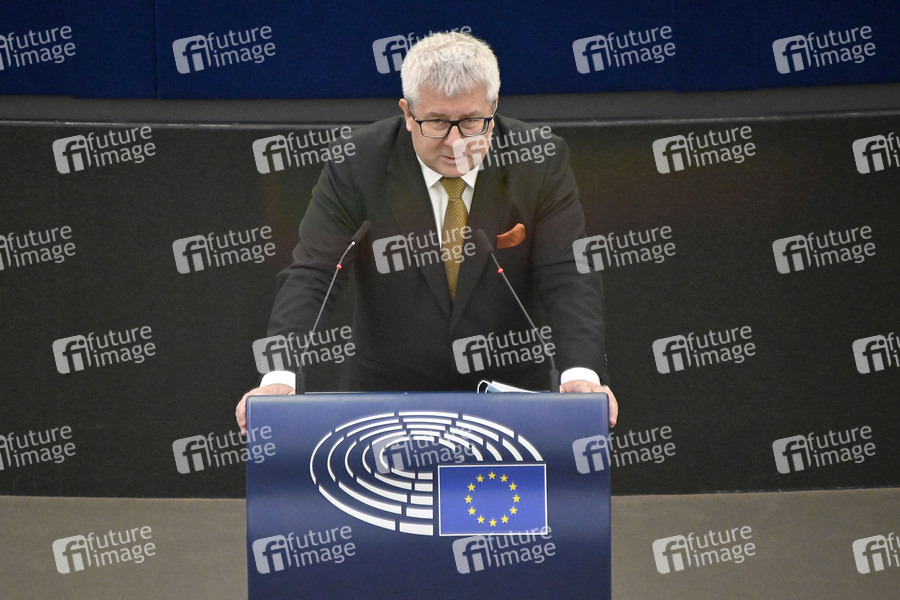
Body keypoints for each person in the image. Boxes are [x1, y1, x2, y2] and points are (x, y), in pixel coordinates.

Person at [236, 32, 618, 433]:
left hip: (509, 393)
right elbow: (315, 272)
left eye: (471, 122)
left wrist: (581, 373)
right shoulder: (358, 163)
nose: (456, 143)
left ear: (493, 108)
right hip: (387, 397)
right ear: (407, 112)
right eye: (436, 122)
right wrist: (280, 375)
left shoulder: (538, 160)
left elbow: (568, 274)